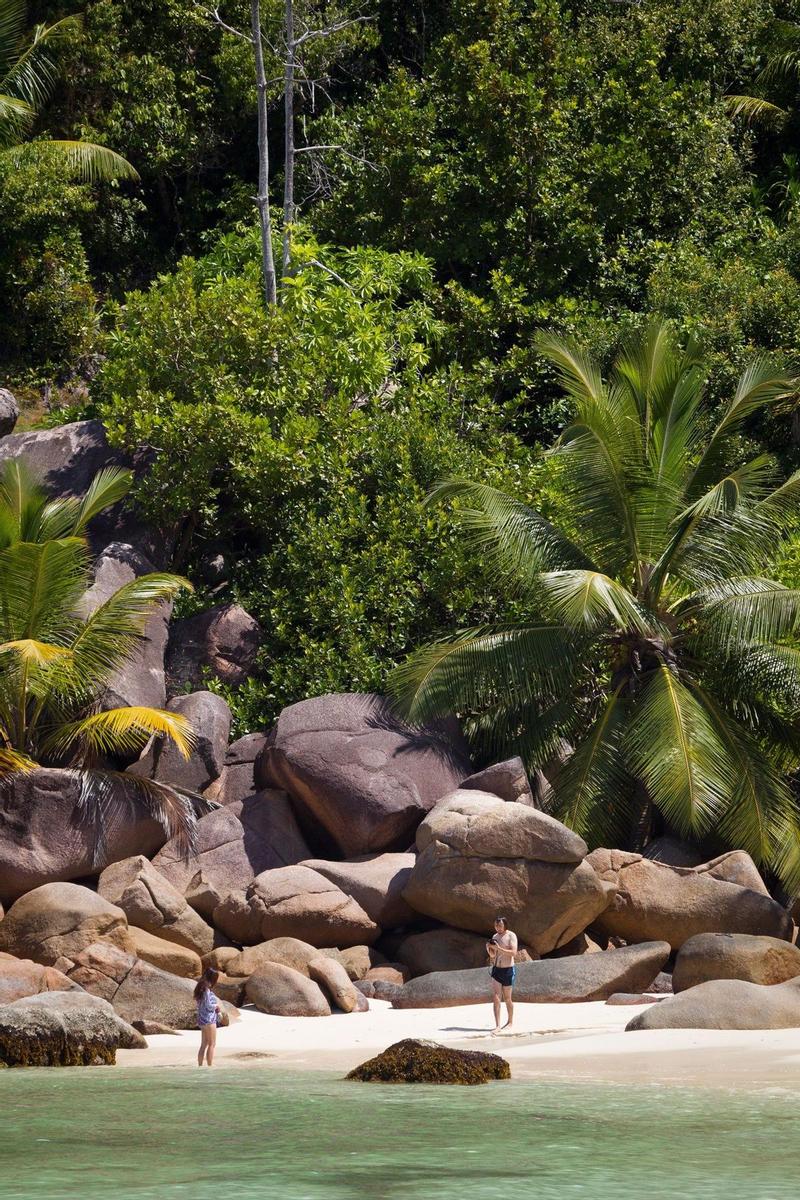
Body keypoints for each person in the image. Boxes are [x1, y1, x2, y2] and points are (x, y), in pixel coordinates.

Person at [486, 916, 517, 1033]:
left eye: (500, 926)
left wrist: (499, 948)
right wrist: (489, 949)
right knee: (496, 997)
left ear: (505, 925)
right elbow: (493, 956)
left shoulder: (511, 935)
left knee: (508, 998)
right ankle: (497, 1025)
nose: (498, 928)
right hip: (496, 970)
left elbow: (513, 953)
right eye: (496, 926)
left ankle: (510, 1021)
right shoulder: (494, 937)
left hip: (508, 970)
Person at [194, 967, 222, 1066]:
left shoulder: (199, 987)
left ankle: (200, 1066)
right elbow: (208, 1005)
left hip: (202, 1019)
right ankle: (210, 1067)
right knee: (212, 1044)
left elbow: (200, 1004)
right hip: (209, 1020)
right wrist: (216, 1007)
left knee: (203, 1044)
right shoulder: (206, 989)